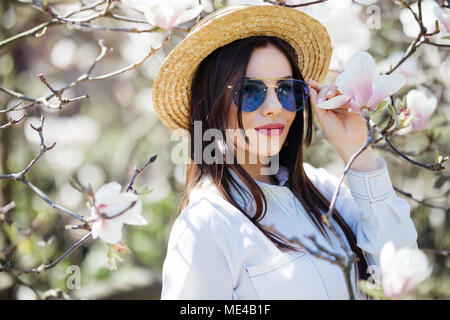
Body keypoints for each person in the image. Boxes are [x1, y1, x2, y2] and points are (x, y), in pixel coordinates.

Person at [151, 4, 418, 299]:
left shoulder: (326, 191)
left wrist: (357, 153)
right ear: (213, 105)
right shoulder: (206, 225)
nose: (275, 107)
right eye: (250, 91)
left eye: (285, 89)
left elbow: (401, 273)